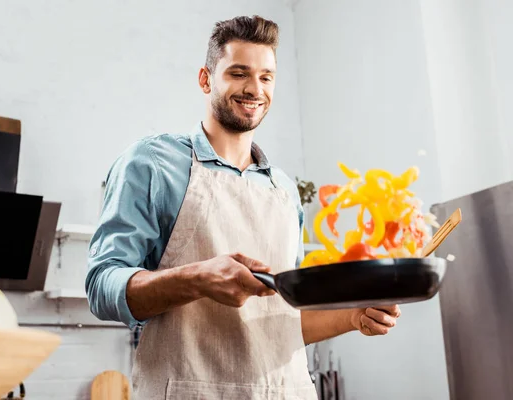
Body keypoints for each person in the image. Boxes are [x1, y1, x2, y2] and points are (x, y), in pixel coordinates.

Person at [86, 15, 401, 400]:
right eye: (239, 73)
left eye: (266, 77)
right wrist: (197, 278)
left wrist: (352, 317)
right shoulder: (152, 163)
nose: (255, 89)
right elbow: (102, 286)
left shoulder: (283, 190)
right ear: (205, 79)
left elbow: (283, 322)